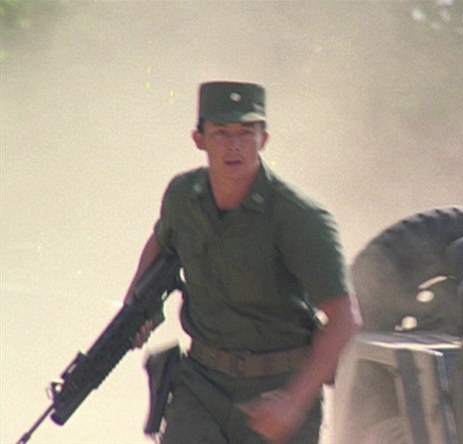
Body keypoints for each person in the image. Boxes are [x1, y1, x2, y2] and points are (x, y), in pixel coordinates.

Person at [124, 80, 361, 444]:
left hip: (275, 392)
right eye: (221, 132)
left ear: (263, 139)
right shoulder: (183, 197)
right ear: (199, 139)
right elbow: (161, 240)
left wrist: (293, 403)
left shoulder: (299, 217)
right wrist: (137, 305)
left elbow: (345, 317)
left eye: (246, 132)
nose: (234, 145)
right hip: (201, 385)